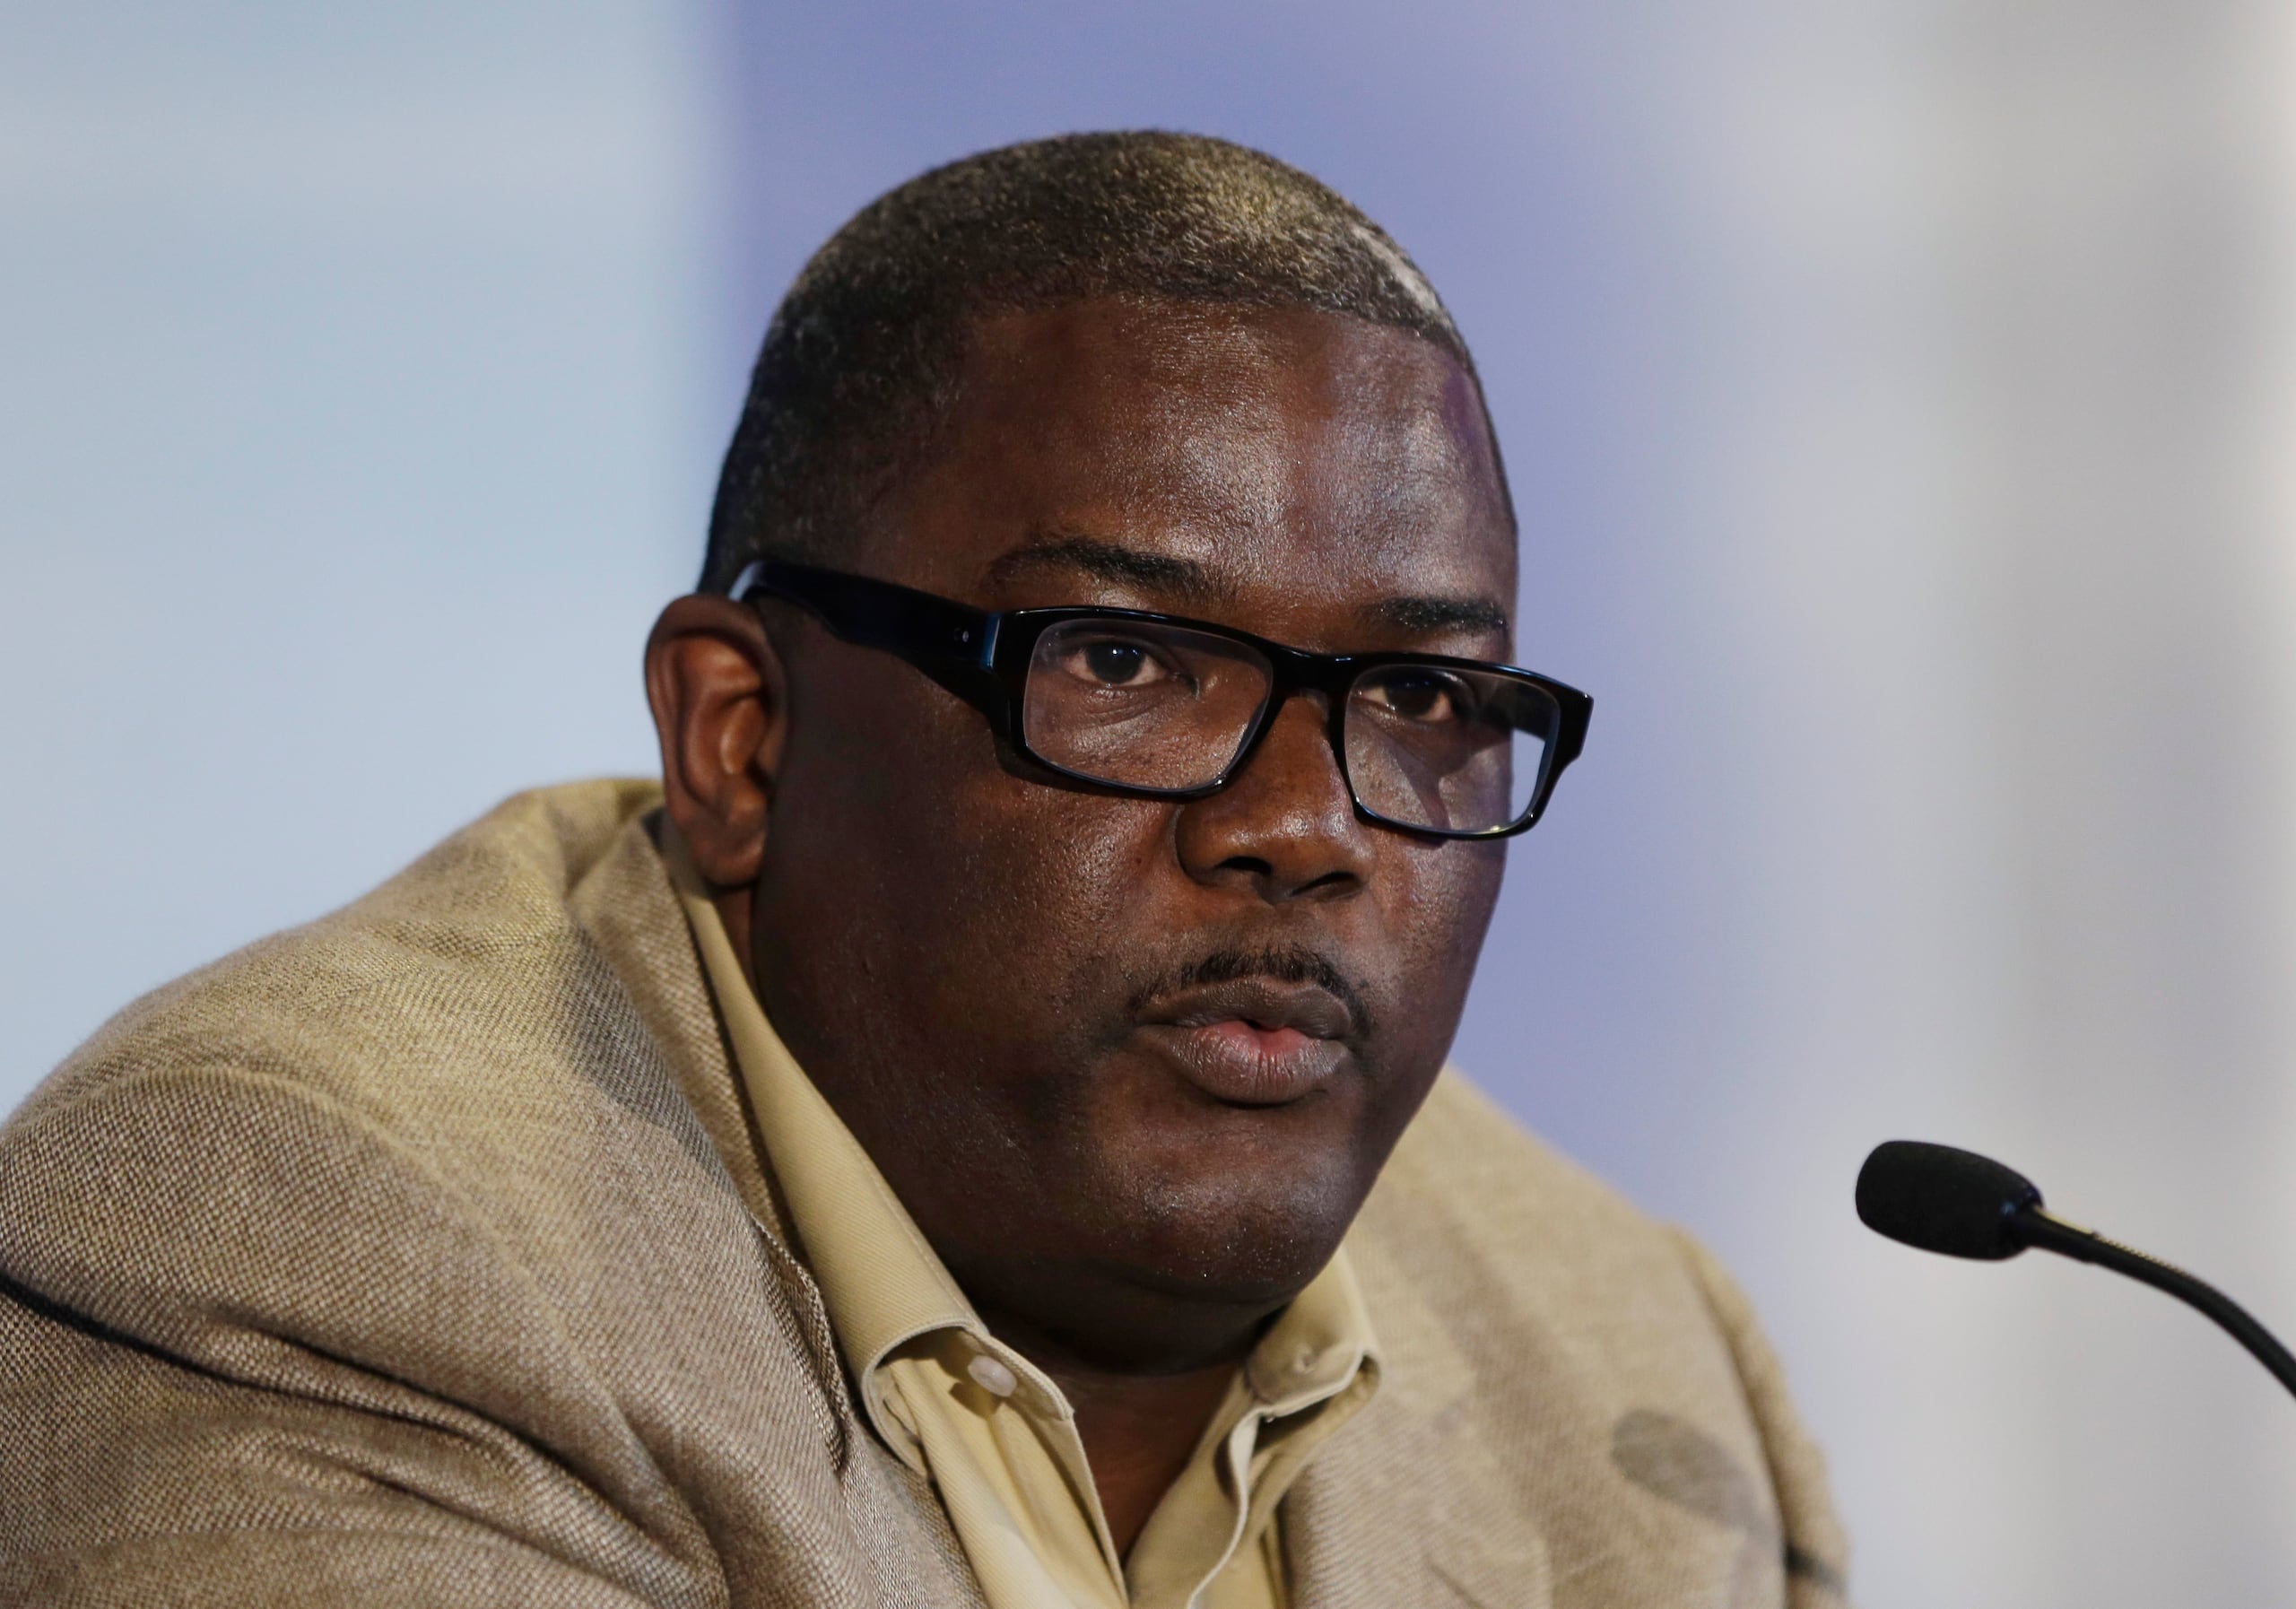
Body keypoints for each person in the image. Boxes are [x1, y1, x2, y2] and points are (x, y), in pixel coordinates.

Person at [0, 132, 1845, 1608]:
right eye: (1120, 661)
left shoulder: (1630, 1375)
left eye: (1425, 691)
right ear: (742, 740)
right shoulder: (308, 1245)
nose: (1305, 825)